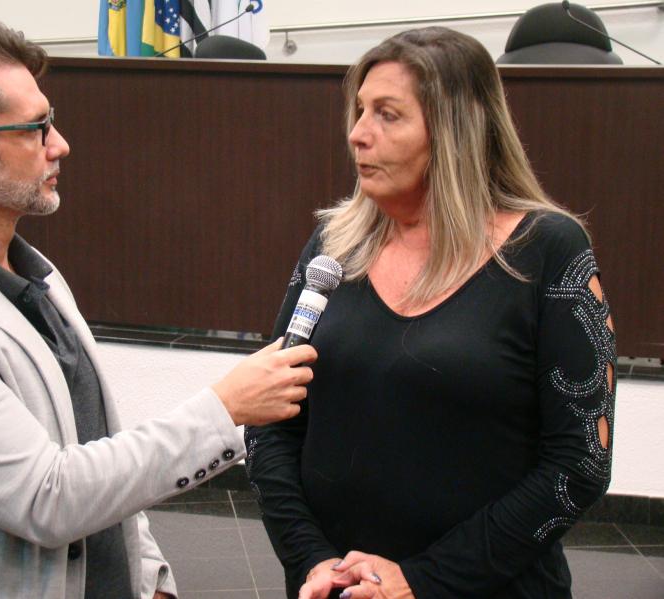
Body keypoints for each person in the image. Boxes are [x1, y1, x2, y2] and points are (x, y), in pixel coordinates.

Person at [0, 16, 317, 599]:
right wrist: (224, 408)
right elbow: (47, 497)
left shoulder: (37, 275)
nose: (60, 145)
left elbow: (95, 444)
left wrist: (148, 575)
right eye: (36, 129)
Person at [245, 26, 616, 599]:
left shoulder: (548, 250)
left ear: (455, 131)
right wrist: (312, 560)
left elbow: (580, 464)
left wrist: (421, 582)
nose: (357, 133)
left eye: (387, 115)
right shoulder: (333, 248)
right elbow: (270, 422)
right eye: (360, 110)